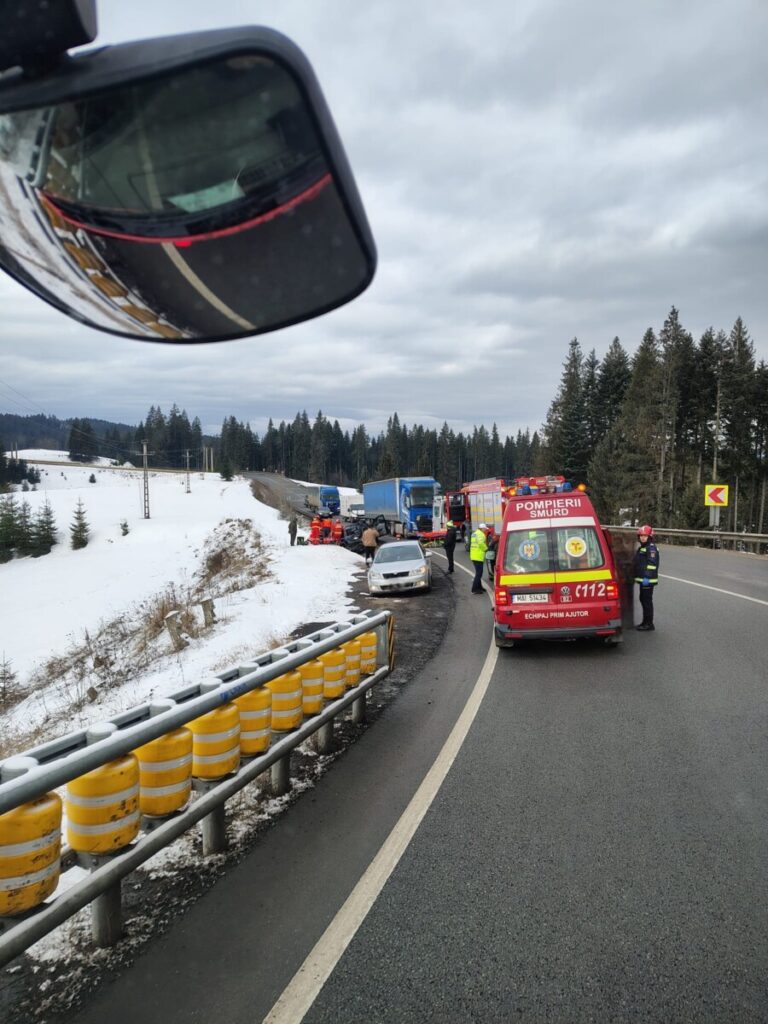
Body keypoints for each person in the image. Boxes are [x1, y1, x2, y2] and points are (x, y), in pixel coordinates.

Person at [633, 524, 659, 630]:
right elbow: (638, 563)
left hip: (648, 580)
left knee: (646, 601)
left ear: (650, 537)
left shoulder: (651, 548)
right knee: (643, 600)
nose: (643, 538)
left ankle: (648, 624)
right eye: (641, 536)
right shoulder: (643, 548)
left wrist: (647, 577)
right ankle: (645, 622)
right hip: (643, 579)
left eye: (645, 536)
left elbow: (652, 564)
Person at [469, 522, 490, 593]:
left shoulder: (474, 533)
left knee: (479, 573)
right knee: (479, 573)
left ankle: (479, 587)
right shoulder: (481, 534)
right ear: (482, 528)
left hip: (474, 555)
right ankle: (474, 589)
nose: (485, 530)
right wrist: (486, 549)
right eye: (485, 529)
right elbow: (481, 543)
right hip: (478, 556)